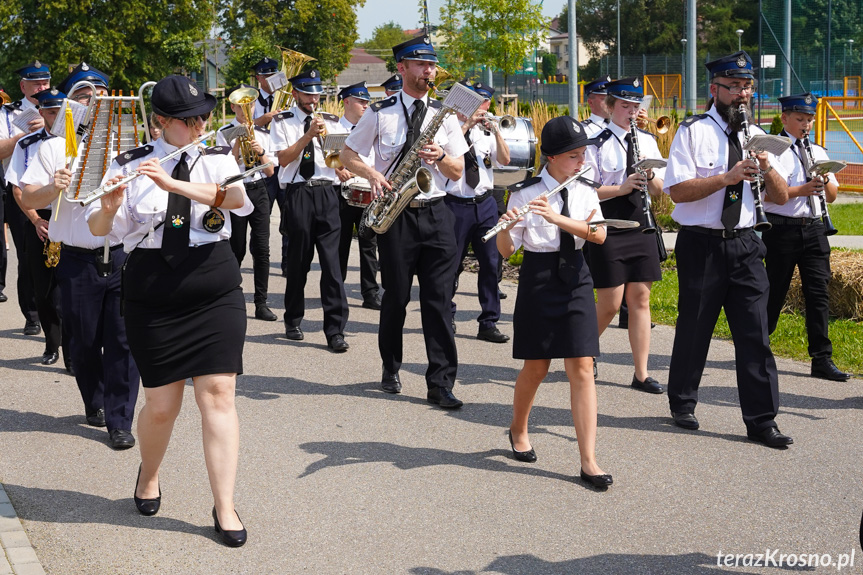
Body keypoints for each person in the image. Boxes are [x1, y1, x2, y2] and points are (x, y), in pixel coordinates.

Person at [86, 75, 252, 546]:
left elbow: (237, 202)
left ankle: (224, 506)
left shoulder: (218, 157)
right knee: (162, 405)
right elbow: (103, 228)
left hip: (213, 285)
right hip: (154, 290)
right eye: (188, 120)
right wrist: (110, 202)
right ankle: (149, 475)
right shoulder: (130, 164)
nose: (200, 125)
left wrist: (176, 181)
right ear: (161, 121)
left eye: (202, 116)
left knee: (218, 393)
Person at [663, 51, 793, 448]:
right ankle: (682, 401)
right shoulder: (693, 131)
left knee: (755, 334)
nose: (741, 94)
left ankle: (762, 421)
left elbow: (783, 197)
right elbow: (677, 191)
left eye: (747, 87)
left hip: (747, 243)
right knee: (695, 326)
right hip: (702, 244)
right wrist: (726, 178)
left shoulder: (758, 137)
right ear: (715, 89)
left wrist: (767, 167)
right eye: (734, 86)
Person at [340, 35, 468, 408]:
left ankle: (440, 382)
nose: (429, 71)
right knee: (395, 298)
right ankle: (390, 365)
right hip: (396, 215)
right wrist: (373, 175)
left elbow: (457, 171)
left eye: (432, 65)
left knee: (439, 301)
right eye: (421, 64)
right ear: (402, 68)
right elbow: (347, 154)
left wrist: (442, 155)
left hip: (437, 212)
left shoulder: (444, 117)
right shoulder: (380, 113)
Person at [20, 64, 141, 448]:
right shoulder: (55, 147)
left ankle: (120, 419)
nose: (97, 102)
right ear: (73, 103)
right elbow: (28, 197)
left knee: (123, 341)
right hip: (76, 259)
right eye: (87, 96)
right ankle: (95, 400)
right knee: (83, 341)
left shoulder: (125, 145)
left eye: (102, 96)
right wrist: (52, 189)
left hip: (122, 255)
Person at [495, 116, 612, 488]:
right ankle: (517, 428)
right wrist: (508, 225)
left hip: (576, 276)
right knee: (537, 368)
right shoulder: (525, 191)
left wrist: (557, 217)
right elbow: (506, 250)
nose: (582, 162)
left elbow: (599, 235)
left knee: (581, 365)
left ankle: (589, 461)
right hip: (539, 279)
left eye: (583, 155)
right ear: (552, 158)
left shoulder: (586, 189)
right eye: (574, 156)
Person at [762, 92, 850, 382]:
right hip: (781, 228)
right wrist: (803, 188)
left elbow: (833, 196)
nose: (806, 124)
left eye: (809, 119)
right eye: (800, 119)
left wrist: (823, 182)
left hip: (814, 228)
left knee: (819, 293)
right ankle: (759, 345)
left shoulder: (818, 151)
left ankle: (821, 358)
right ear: (784, 118)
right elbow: (769, 197)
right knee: (774, 291)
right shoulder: (772, 153)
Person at [586, 77, 665, 395]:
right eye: (624, 106)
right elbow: (586, 190)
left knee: (640, 299)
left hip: (642, 223)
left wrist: (650, 175)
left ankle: (642, 373)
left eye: (635, 106)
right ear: (609, 106)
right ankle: (585, 352)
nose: (631, 112)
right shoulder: (595, 141)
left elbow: (661, 191)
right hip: (610, 224)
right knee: (610, 302)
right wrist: (621, 187)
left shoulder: (646, 140)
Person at [269, 69, 350, 352]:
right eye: (307, 93)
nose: (313, 99)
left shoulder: (331, 121)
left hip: (327, 194)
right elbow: (283, 159)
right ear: (296, 94)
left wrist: (337, 162)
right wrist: (307, 136)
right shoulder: (282, 122)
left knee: (332, 265)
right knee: (299, 261)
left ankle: (335, 330)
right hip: (298, 192)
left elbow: (334, 161)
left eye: (316, 93)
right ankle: (293, 318)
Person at [445, 80, 511, 343]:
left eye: (486, 102)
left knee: (491, 263)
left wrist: (496, 131)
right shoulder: (449, 128)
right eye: (480, 101)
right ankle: (446, 314)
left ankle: (489, 322)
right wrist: (467, 125)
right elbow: (450, 151)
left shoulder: (486, 132)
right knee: (451, 264)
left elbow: (504, 160)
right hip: (455, 204)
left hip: (484, 204)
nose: (484, 107)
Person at [5, 87, 65, 366]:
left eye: (59, 110)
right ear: (41, 112)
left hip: (72, 217)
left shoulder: (80, 142)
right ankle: (52, 345)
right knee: (44, 287)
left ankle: (75, 352)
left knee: (74, 287)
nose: (55, 116)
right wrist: (35, 219)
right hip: (39, 216)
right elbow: (17, 188)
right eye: (50, 111)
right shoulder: (26, 144)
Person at [217, 83, 278, 321]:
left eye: (250, 104)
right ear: (233, 106)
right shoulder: (224, 132)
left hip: (259, 188)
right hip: (237, 190)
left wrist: (260, 151)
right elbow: (222, 169)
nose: (247, 109)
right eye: (241, 105)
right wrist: (235, 147)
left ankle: (261, 303)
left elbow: (271, 171)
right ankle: (231, 296)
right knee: (237, 247)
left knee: (262, 248)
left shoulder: (264, 133)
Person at [1, 61, 49, 336]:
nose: (42, 88)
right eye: (36, 84)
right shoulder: (7, 113)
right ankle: (32, 314)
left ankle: (58, 312)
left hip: (56, 193)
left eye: (45, 83)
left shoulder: (59, 109)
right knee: (29, 256)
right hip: (19, 192)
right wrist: (25, 135)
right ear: (23, 86)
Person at [335, 81, 382, 310]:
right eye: (361, 101)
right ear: (346, 102)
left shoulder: (372, 127)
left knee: (369, 244)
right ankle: (336, 290)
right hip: (341, 194)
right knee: (340, 244)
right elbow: (325, 159)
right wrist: (337, 169)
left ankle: (370, 293)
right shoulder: (332, 128)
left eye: (367, 101)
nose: (365, 105)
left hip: (368, 192)